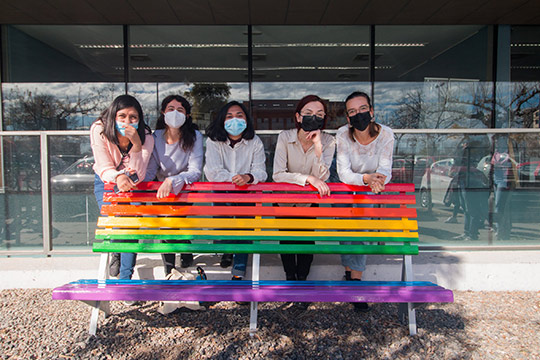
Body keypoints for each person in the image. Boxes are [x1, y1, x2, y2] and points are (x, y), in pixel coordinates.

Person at [336, 91, 394, 312]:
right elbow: (344, 172)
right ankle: (350, 271)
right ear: (348, 118)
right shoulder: (343, 134)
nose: (357, 114)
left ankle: (355, 279)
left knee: (361, 225)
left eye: (362, 109)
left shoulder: (386, 134)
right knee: (345, 227)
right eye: (352, 111)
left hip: (370, 183)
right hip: (347, 181)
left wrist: (376, 181)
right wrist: (366, 179)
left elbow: (385, 169)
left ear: (371, 111)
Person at [272, 94, 336, 288]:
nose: (313, 117)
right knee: (287, 241)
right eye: (308, 113)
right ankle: (290, 279)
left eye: (319, 114)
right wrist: (307, 178)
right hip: (284, 201)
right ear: (298, 117)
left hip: (308, 202)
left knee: (307, 241)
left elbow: (323, 177)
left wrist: (318, 147)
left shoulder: (329, 141)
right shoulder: (285, 137)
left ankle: (303, 281)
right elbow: (278, 174)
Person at [90, 94, 154, 280]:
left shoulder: (146, 137)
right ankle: (116, 250)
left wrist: (136, 144)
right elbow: (103, 165)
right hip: (106, 181)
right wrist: (118, 177)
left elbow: (139, 172)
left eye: (133, 117)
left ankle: (125, 278)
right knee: (116, 224)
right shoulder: (99, 129)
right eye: (122, 116)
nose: (128, 121)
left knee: (131, 227)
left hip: (134, 184)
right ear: (114, 116)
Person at [203, 101, 267, 280]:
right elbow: (212, 172)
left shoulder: (255, 142)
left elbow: (261, 171)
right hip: (222, 192)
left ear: (247, 119)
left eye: (239, 115)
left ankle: (238, 273)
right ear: (222, 120)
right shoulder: (214, 141)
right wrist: (236, 178)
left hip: (246, 193)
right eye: (229, 116)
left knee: (243, 232)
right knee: (224, 227)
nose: (235, 120)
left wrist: (249, 177)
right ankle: (226, 251)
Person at [144, 95, 203, 276]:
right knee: (166, 226)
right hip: (161, 190)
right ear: (163, 112)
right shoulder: (156, 138)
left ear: (187, 115)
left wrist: (173, 180)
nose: (175, 113)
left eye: (180, 110)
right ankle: (169, 270)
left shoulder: (194, 136)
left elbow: (195, 170)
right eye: (170, 109)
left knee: (178, 224)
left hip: (185, 188)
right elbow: (151, 168)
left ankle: (185, 250)